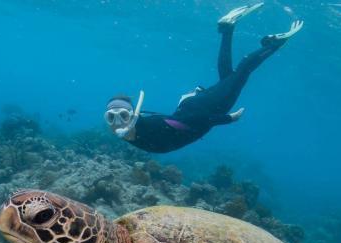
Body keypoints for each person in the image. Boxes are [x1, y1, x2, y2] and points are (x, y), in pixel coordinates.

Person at [105, 3, 303, 153]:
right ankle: (228, 29)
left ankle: (273, 45)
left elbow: (192, 120)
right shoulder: (133, 136)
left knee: (242, 72)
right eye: (110, 117)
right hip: (196, 106)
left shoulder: (147, 127)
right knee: (228, 76)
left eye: (122, 115)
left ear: (133, 115)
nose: (117, 123)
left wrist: (227, 119)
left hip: (208, 109)